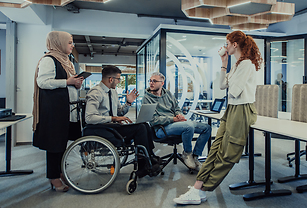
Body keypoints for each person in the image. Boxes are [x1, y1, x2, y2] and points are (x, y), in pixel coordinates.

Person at [173, 30, 262, 205]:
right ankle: (197, 188)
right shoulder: (237, 65)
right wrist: (224, 63)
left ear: (234, 44)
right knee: (214, 151)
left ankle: (202, 190)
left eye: (226, 43)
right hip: (231, 109)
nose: (224, 47)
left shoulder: (246, 65)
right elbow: (222, 85)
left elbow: (235, 92)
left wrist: (232, 75)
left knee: (227, 154)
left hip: (242, 110)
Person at [85, 65, 161, 177]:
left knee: (144, 125)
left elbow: (120, 112)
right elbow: (89, 118)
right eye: (118, 79)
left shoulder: (113, 92)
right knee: (140, 129)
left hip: (113, 127)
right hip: (102, 129)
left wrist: (128, 103)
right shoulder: (95, 92)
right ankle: (145, 163)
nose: (119, 82)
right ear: (111, 79)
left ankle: (149, 156)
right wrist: (113, 118)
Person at [32, 31, 84, 192]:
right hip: (54, 111)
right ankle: (53, 178)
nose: (72, 45)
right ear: (58, 43)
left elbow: (67, 83)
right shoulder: (49, 60)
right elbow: (42, 82)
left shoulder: (67, 61)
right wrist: (68, 81)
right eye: (69, 42)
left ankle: (59, 172)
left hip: (66, 109)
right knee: (54, 145)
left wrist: (76, 84)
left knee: (61, 143)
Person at [142, 72, 211, 170]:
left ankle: (195, 157)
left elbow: (176, 108)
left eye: (154, 81)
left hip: (175, 124)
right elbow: (153, 120)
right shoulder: (147, 98)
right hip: (161, 129)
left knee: (206, 128)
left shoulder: (168, 94)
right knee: (188, 126)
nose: (151, 83)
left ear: (162, 83)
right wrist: (173, 119)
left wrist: (179, 114)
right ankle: (187, 153)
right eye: (150, 81)